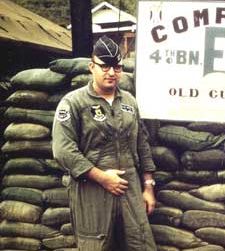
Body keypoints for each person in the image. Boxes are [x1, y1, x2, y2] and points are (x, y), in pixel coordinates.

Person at [52, 35, 158, 251]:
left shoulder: (129, 101)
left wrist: (148, 186)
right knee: (95, 245)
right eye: (105, 66)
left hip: (129, 189)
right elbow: (63, 150)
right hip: (91, 190)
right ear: (92, 67)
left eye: (117, 67)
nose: (112, 73)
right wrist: (102, 178)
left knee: (141, 244)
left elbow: (142, 145)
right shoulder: (74, 102)